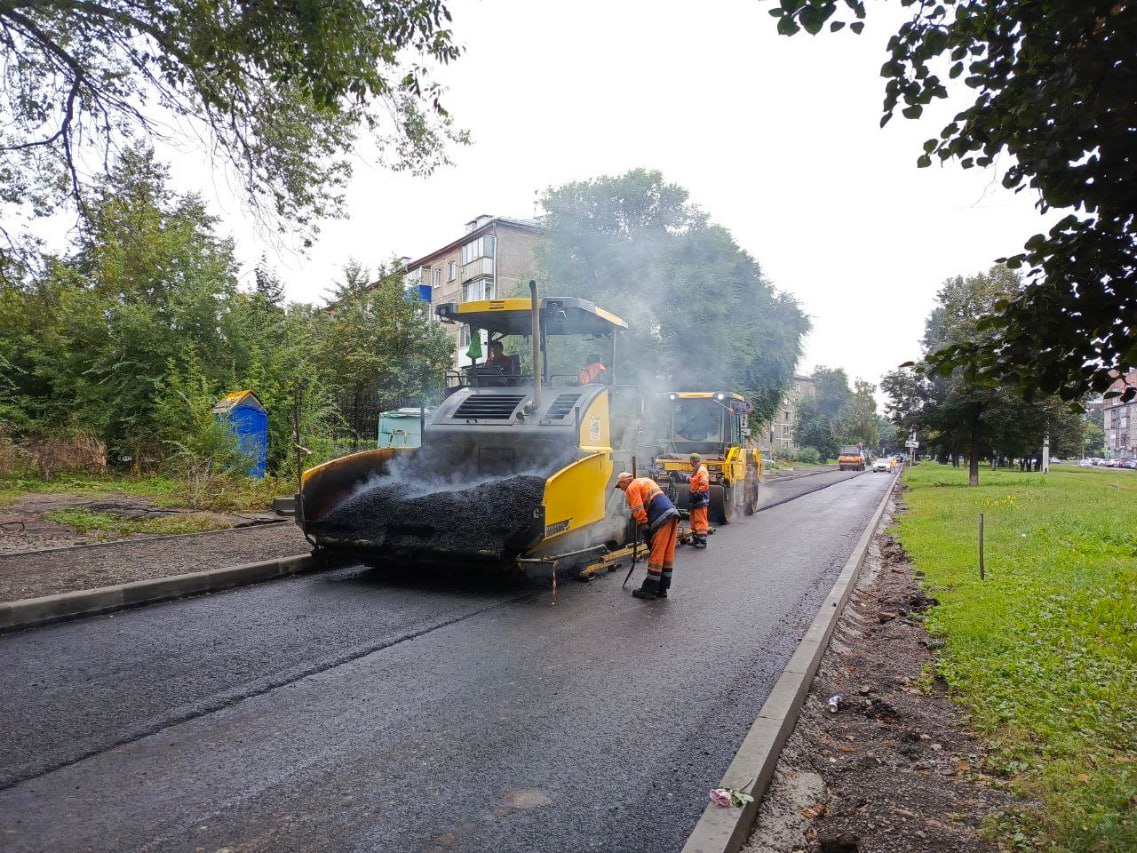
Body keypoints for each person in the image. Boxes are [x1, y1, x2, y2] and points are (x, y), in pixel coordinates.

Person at [615, 471, 680, 600]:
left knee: (657, 553)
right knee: (666, 554)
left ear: (624, 482)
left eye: (620, 486)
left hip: (660, 517)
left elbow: (638, 509)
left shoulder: (631, 488)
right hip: (671, 515)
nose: (621, 490)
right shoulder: (645, 480)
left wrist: (644, 526)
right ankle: (662, 589)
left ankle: (649, 589)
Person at [688, 452, 710, 549]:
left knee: (700, 520)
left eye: (690, 461)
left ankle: (702, 541)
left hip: (700, 499)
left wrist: (698, 493)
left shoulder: (701, 471)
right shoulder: (696, 470)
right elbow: (694, 481)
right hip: (695, 499)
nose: (690, 462)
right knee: (693, 520)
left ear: (693, 461)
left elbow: (704, 484)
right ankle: (696, 539)